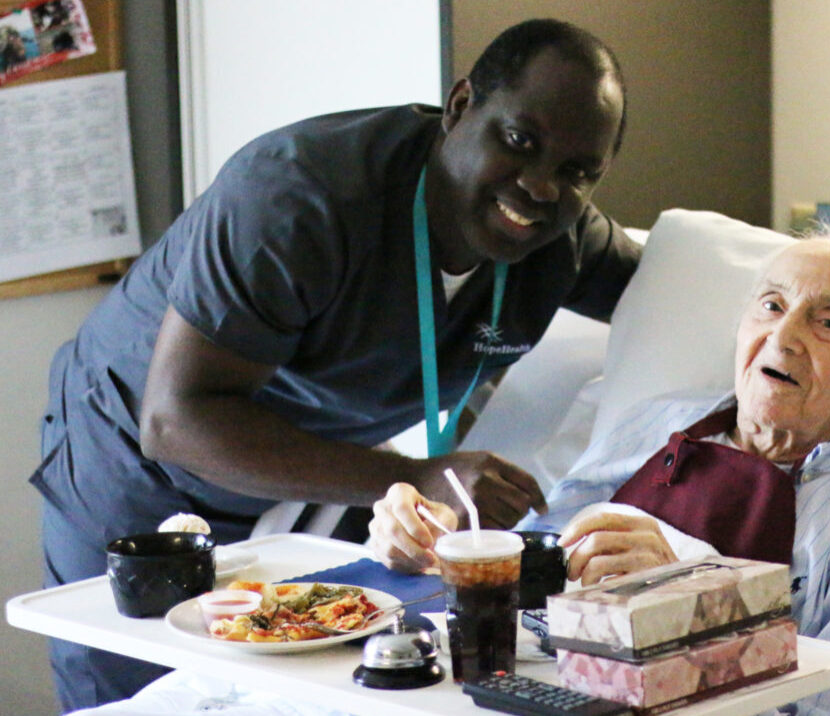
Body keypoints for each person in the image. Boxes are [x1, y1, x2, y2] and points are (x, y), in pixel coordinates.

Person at [32, 18, 637, 712]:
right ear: (463, 106)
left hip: (306, 484)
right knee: (146, 700)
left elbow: (689, 288)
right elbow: (175, 421)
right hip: (139, 473)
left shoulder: (561, 241)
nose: (538, 187)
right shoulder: (299, 197)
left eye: (576, 172)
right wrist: (416, 477)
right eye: (520, 141)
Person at [370, 234, 830, 716]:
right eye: (771, 305)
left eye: (828, 322)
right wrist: (441, 547)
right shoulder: (660, 423)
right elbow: (536, 563)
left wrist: (685, 610)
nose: (784, 337)